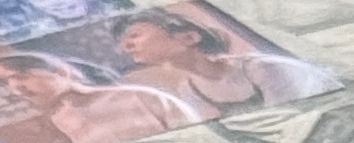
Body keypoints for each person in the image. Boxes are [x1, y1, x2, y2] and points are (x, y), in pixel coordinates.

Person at [0, 45, 204, 143]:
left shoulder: (139, 98)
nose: (16, 88)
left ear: (60, 71)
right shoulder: (49, 128)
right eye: (6, 83)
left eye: (22, 75)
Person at [114, 6, 333, 104]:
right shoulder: (189, 91)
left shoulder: (261, 68)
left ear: (189, 37)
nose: (127, 46)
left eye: (135, 35)